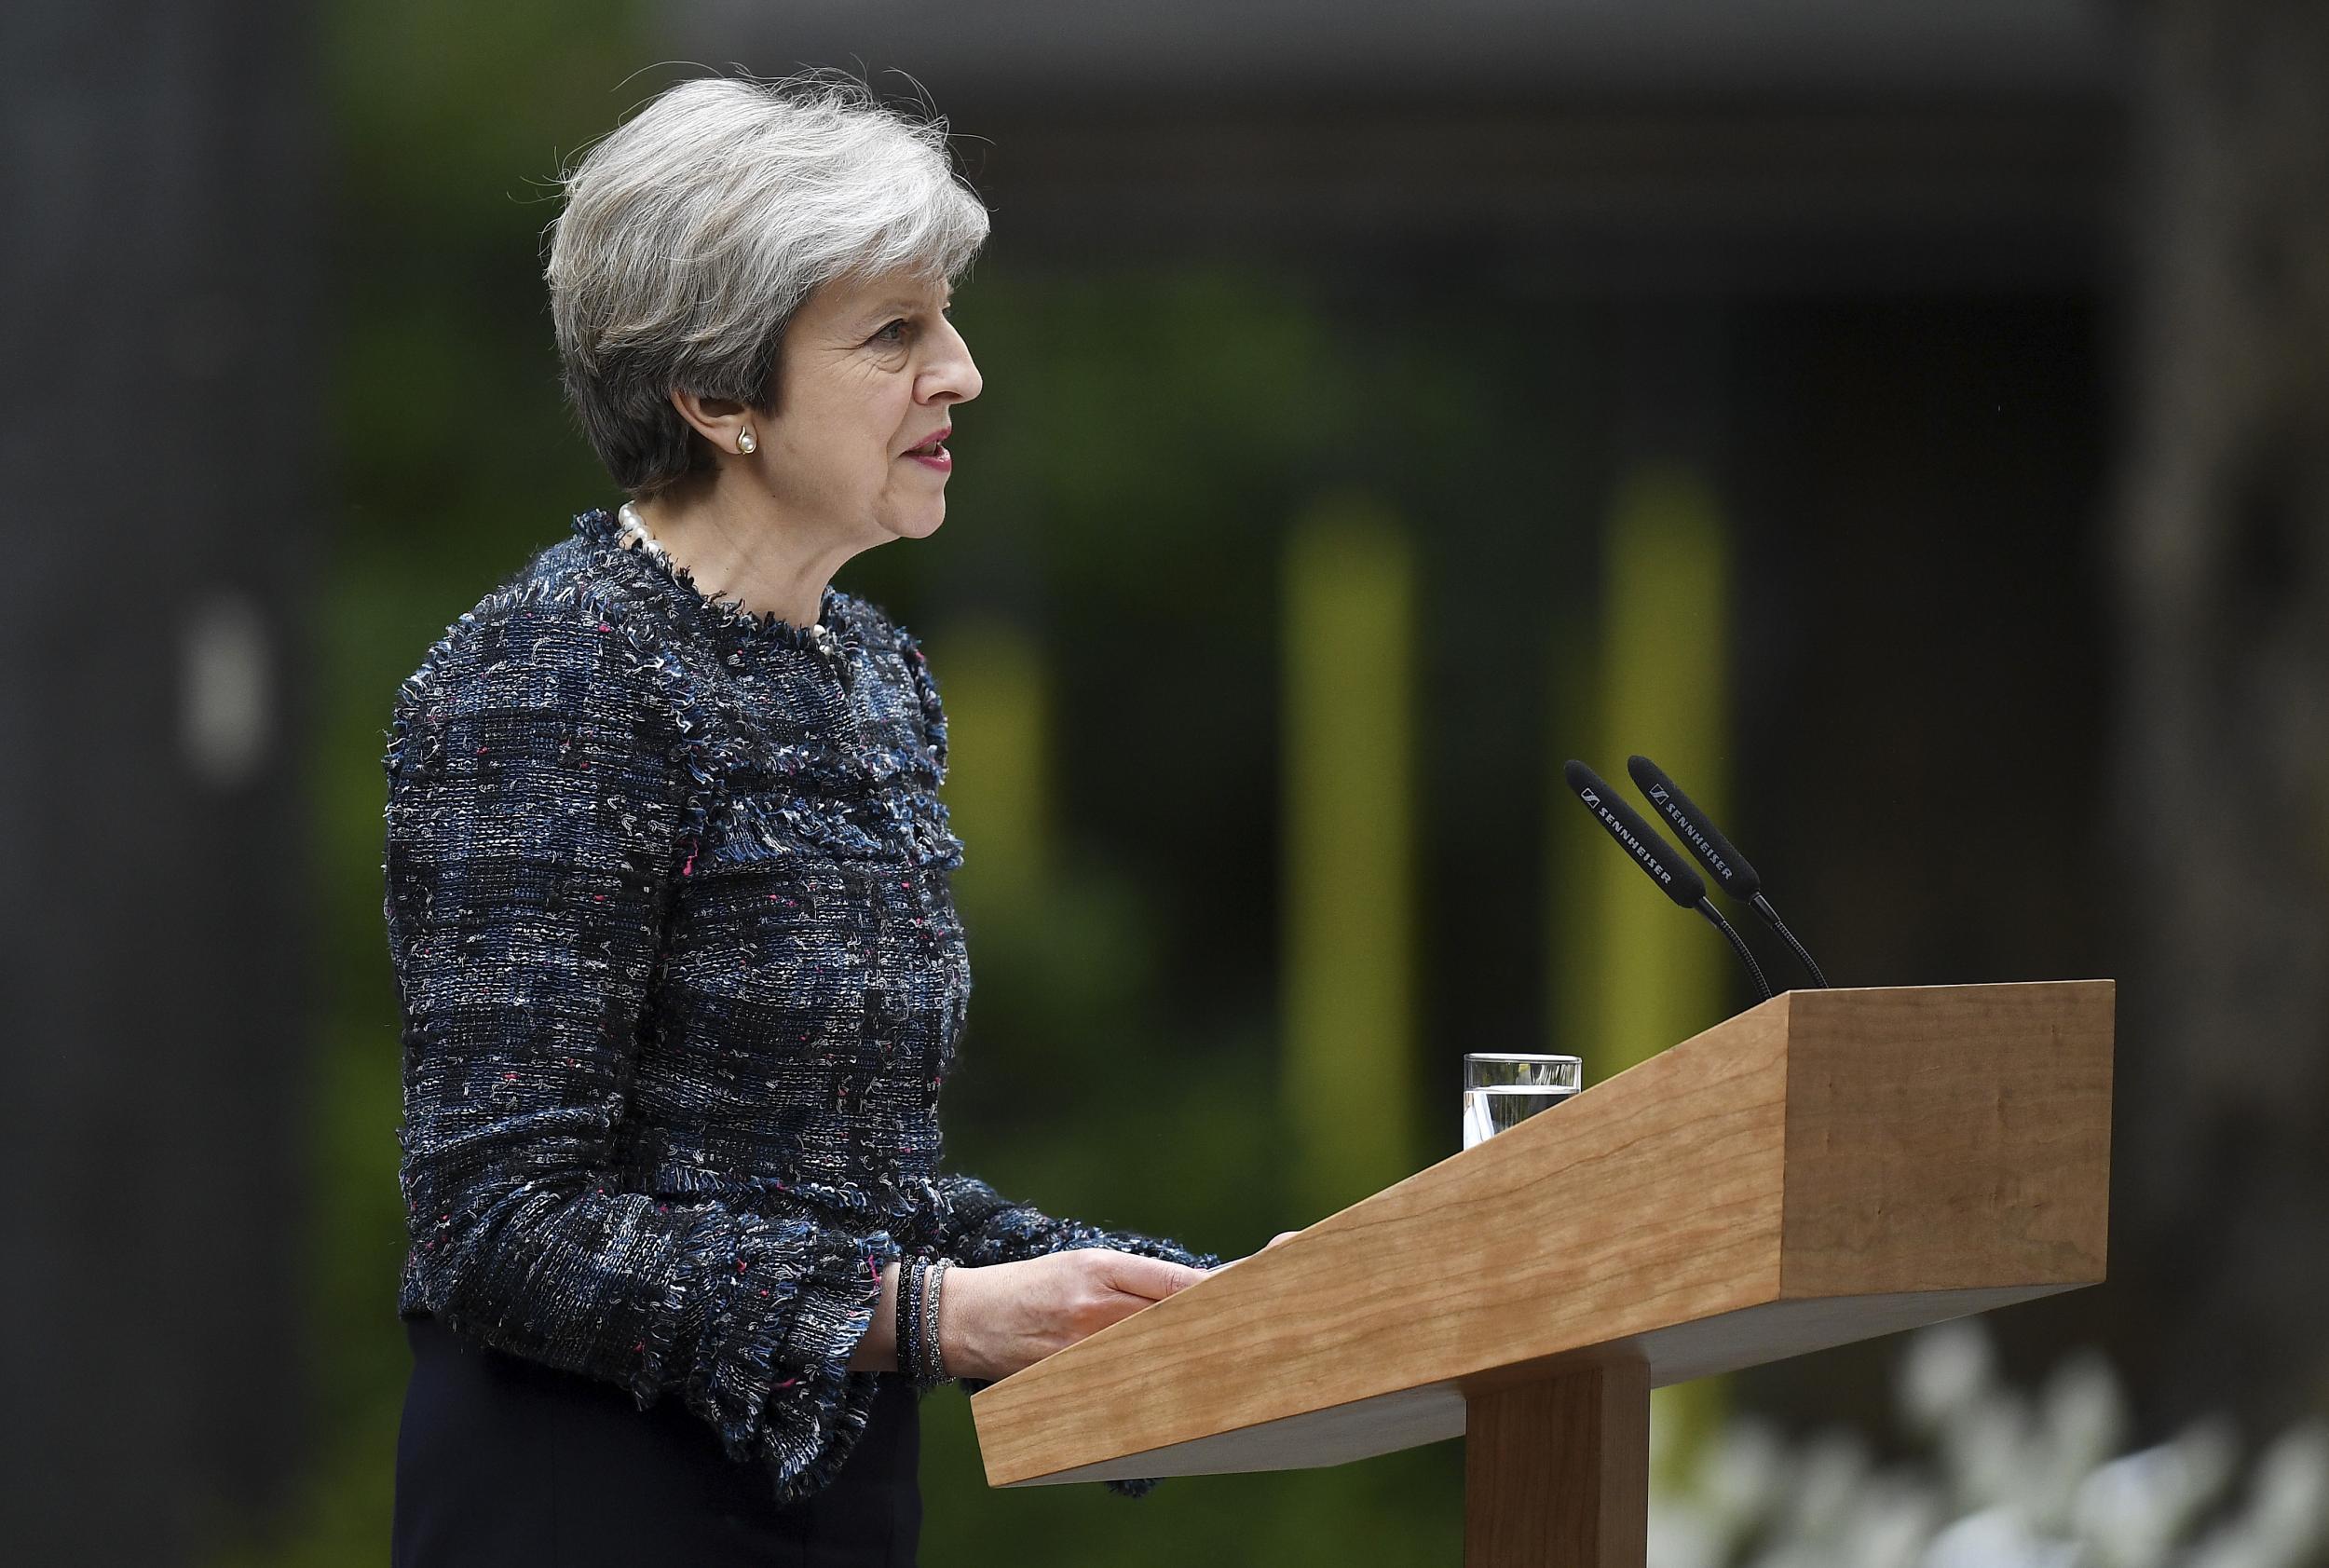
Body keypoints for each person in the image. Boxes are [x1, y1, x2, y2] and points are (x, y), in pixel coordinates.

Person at [383, 71, 1288, 1567]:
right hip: (590, 1505)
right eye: (894, 335)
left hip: (832, 1497)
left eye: (943, 318)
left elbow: (833, 1184)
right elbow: (499, 1228)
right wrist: (934, 1316)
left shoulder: (864, 672)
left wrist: (1182, 1295)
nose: (962, 373)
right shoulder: (550, 682)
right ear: (719, 396)